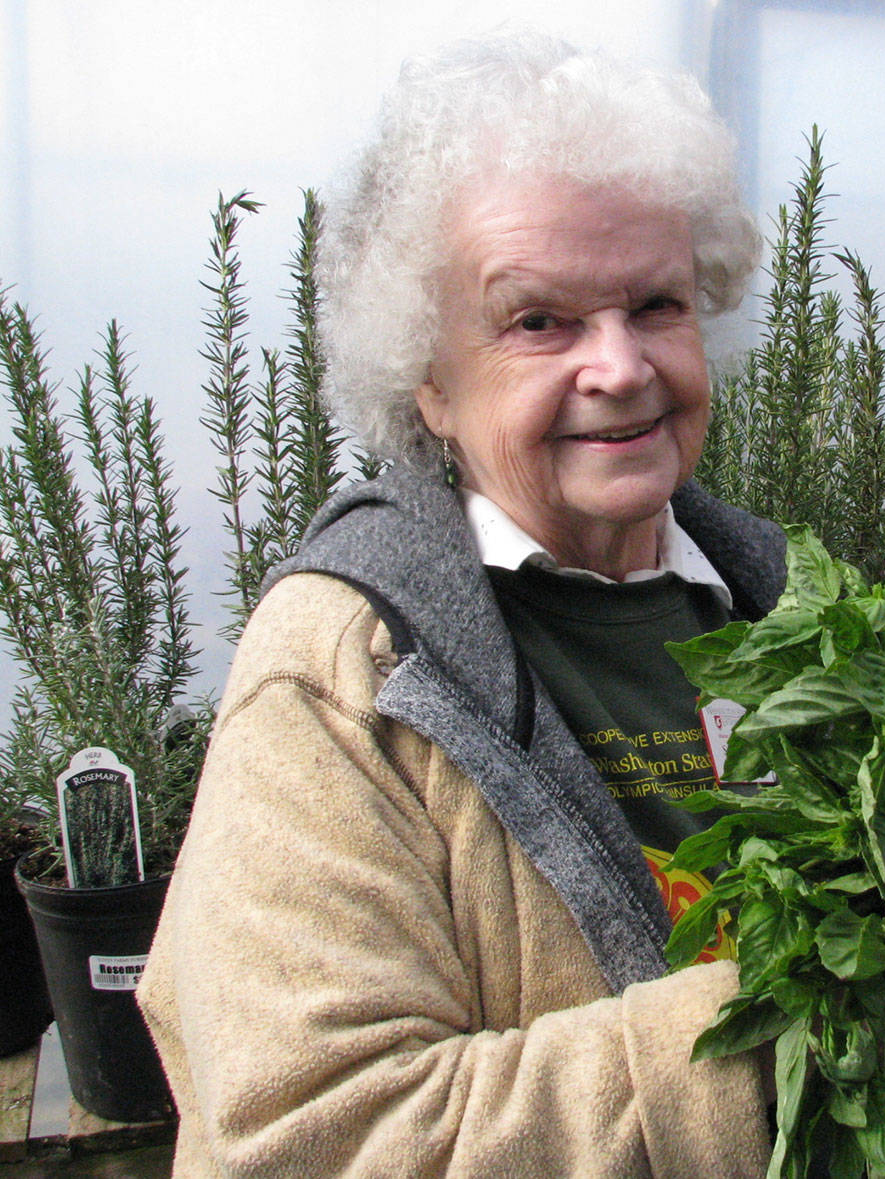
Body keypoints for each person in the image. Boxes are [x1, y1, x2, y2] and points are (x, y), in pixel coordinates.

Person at [139, 32, 785, 1177]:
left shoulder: (770, 604)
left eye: (655, 303)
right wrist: (796, 1024)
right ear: (426, 379)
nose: (621, 366)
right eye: (538, 321)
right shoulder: (342, 674)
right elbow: (311, 1142)